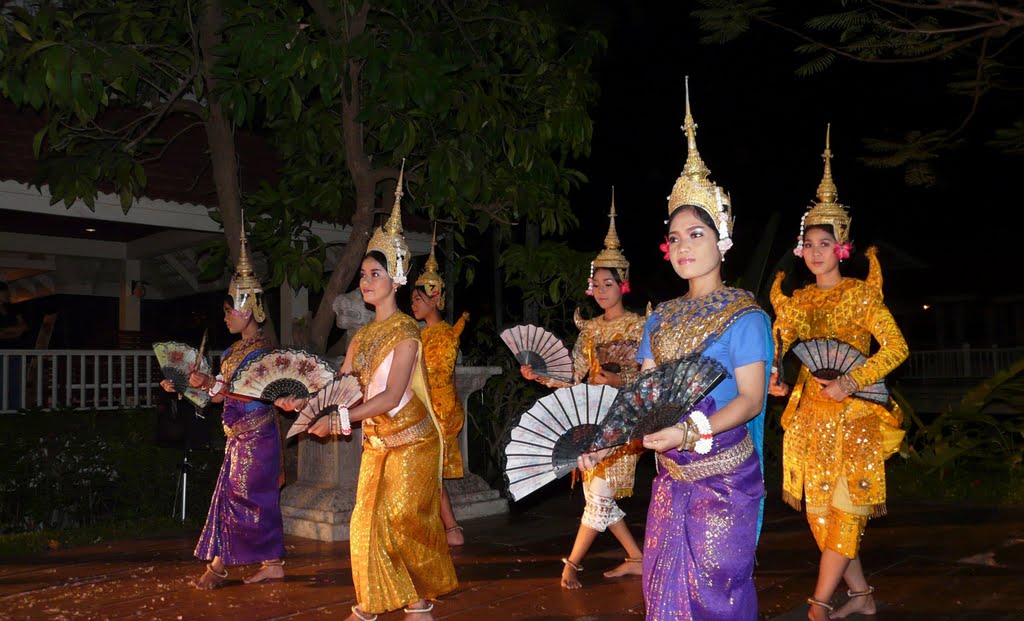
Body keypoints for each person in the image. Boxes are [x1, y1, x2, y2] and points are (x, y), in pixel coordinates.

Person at [580, 80, 771, 621]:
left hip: (727, 480)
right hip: (670, 480)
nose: (683, 247)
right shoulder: (659, 318)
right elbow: (643, 396)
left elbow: (752, 400)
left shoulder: (745, 316)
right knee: (662, 597)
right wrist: (605, 440)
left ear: (723, 238)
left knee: (715, 597)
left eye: (696, 234)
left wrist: (692, 431)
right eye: (675, 237)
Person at [278, 166, 457, 621]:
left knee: (400, 519)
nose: (365, 280)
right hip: (378, 440)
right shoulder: (361, 337)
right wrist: (304, 404)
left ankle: (418, 593)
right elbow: (339, 388)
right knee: (364, 524)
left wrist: (337, 421)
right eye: (362, 274)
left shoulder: (408, 334)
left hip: (414, 439)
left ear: (396, 278)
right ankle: (379, 602)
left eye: (375, 273)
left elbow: (391, 394)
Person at [769, 126, 908, 621]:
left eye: (824, 242)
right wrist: (778, 379)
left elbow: (896, 347)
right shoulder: (798, 301)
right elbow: (780, 349)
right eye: (808, 244)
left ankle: (820, 602)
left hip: (856, 418)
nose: (815, 250)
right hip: (809, 419)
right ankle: (863, 595)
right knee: (820, 516)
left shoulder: (862, 295)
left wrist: (851, 380)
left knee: (847, 510)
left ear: (840, 248)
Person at [519, 191, 646, 589]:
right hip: (591, 421)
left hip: (623, 422)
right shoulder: (589, 329)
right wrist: (539, 376)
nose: (601, 290)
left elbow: (648, 381)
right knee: (599, 494)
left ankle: (571, 563)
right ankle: (638, 557)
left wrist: (620, 380)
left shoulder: (641, 326)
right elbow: (574, 374)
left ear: (623, 285)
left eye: (609, 283)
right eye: (596, 284)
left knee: (600, 494)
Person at [160, 226, 285, 589]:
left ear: (248, 312)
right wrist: (184, 384)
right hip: (237, 439)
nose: (227, 316)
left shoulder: (264, 354)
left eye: (231, 310)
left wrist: (211, 384)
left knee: (239, 501)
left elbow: (254, 394)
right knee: (252, 503)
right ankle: (273, 563)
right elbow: (218, 396)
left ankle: (216, 567)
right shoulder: (231, 353)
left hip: (258, 438)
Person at [410, 228, 470, 546]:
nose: (414, 305)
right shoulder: (418, 334)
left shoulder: (446, 334)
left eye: (419, 299)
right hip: (424, 406)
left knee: (430, 471)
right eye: (412, 300)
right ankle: (448, 528)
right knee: (427, 472)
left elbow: (439, 375)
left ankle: (450, 528)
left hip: (440, 409)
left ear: (434, 299)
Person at [0, 281, 29, 410]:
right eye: (4, 291)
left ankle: (15, 412)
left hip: (16, 351)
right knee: (2, 383)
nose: (8, 294)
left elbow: (24, 326)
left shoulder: (13, 308)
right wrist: (14, 331)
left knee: (16, 383)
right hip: (1, 353)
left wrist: (8, 331)